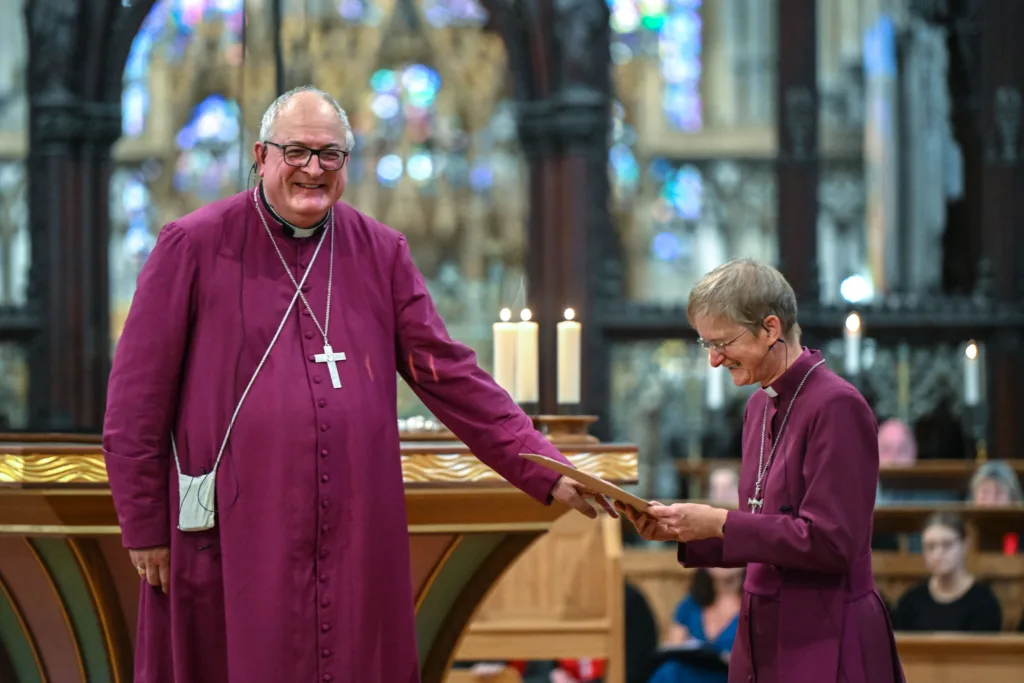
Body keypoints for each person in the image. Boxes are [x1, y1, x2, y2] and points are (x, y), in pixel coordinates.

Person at [102, 85, 611, 683]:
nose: (312, 169)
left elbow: (450, 375)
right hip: (235, 535)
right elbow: (134, 403)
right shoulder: (192, 244)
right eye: (295, 152)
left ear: (348, 163)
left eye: (330, 155)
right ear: (260, 156)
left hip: (350, 533)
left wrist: (547, 468)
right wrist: (142, 528)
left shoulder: (380, 252)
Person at [618, 258, 905, 683]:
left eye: (722, 342)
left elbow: (831, 543)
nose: (714, 360)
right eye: (706, 345)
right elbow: (763, 532)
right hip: (763, 635)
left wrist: (720, 523)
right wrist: (683, 531)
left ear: (771, 328)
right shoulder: (758, 406)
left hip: (826, 634)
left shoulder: (836, 406)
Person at [891, 512, 1002, 632]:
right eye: (930, 547)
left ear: (965, 545)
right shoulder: (910, 602)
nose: (938, 555)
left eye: (947, 545)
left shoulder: (984, 602)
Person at [648, 567, 742, 683]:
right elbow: (675, 649)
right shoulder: (690, 604)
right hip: (690, 676)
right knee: (669, 670)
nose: (723, 557)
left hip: (733, 677)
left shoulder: (757, 607)